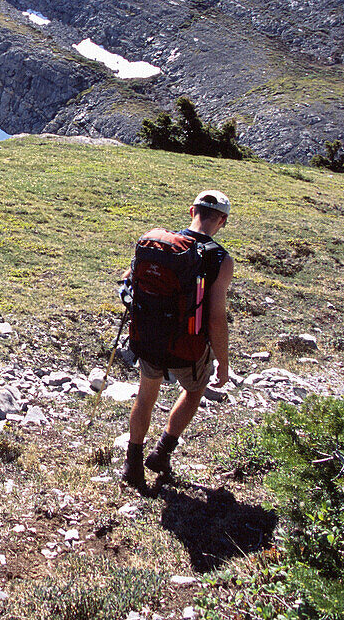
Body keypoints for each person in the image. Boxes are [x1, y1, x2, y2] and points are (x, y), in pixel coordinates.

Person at [120, 190, 234, 489]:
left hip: (149, 336)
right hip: (189, 345)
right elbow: (216, 317)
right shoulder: (220, 258)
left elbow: (129, 281)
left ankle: (133, 463)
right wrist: (222, 361)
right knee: (195, 390)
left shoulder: (159, 244)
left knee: (146, 395)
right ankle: (162, 452)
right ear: (221, 220)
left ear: (192, 210)